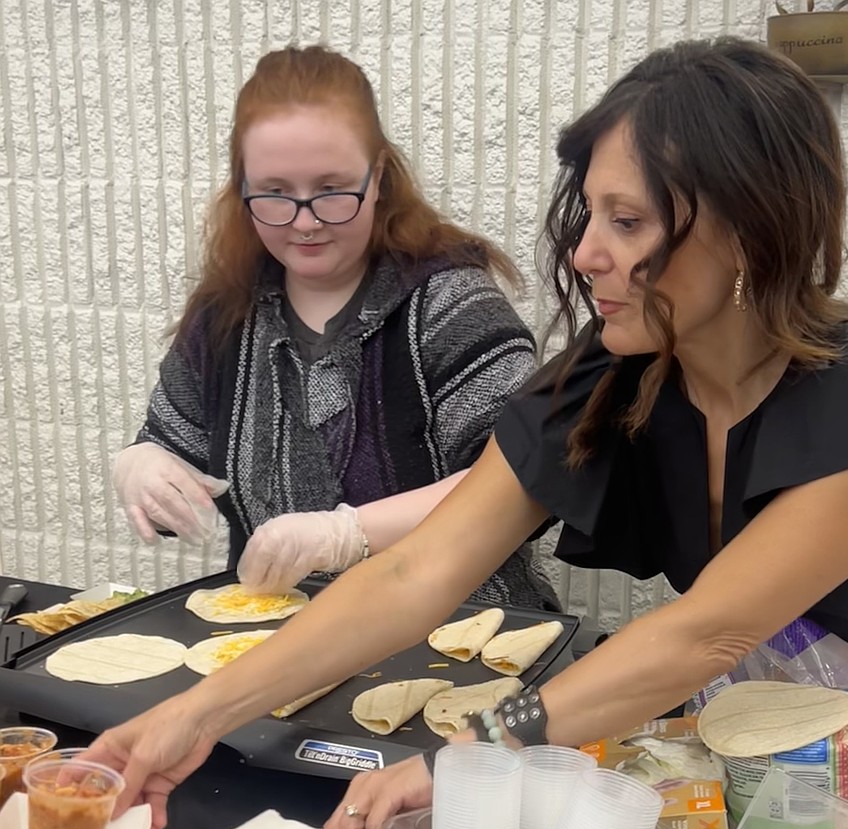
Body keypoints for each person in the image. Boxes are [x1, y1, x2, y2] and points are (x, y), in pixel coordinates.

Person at [90, 36, 848, 829]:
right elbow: (421, 568)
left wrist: (473, 748)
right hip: (752, 743)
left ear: (751, 228)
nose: (584, 253)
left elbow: (699, 633)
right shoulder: (617, 377)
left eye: (628, 223)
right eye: (589, 215)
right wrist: (198, 712)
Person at [110, 44, 555, 608]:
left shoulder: (449, 303)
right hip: (275, 640)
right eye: (274, 193)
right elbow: (177, 453)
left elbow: (524, 483)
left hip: (458, 634)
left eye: (331, 189)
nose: (306, 222)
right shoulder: (225, 316)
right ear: (241, 188)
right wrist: (144, 466)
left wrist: (349, 534)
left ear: (380, 177)